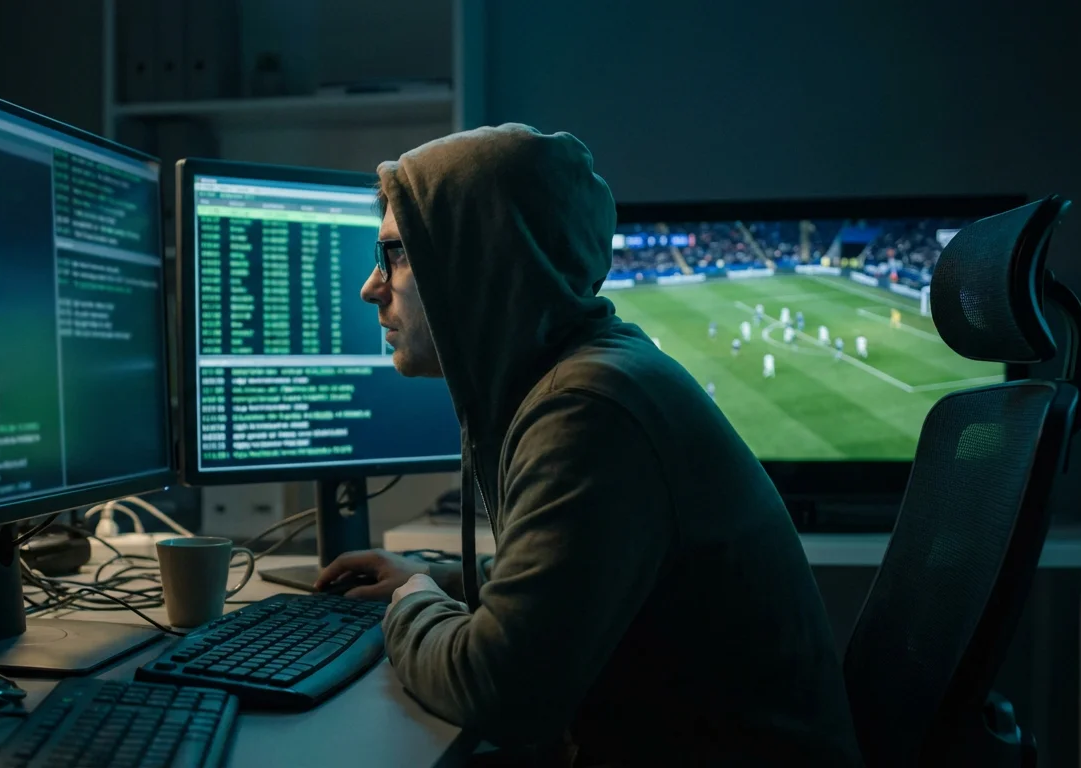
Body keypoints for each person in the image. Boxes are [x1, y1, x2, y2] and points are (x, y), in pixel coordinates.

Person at [317, 124, 860, 766]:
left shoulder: (586, 409)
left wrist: (410, 604)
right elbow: (568, 585)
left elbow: (500, 691)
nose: (371, 287)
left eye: (396, 255)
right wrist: (435, 578)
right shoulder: (585, 373)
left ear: (480, 258)